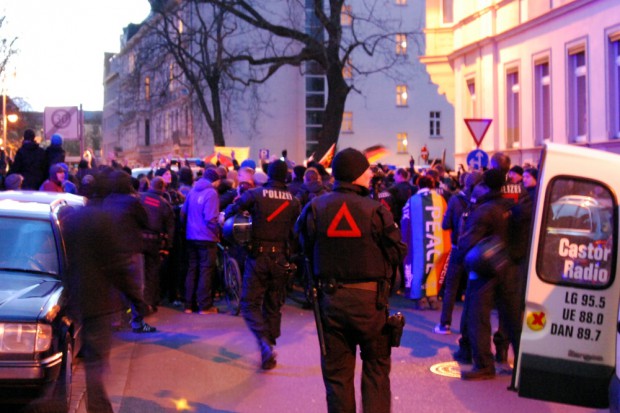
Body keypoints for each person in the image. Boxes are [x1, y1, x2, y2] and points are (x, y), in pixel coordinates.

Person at [296, 148, 407, 413]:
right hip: (371, 305)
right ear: (356, 175)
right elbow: (396, 251)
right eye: (366, 169)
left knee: (337, 378)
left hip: (330, 303)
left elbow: (302, 244)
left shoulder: (315, 208)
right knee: (377, 371)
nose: (371, 173)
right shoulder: (376, 210)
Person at [62, 180, 151, 412]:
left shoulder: (72, 219)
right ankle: (99, 408)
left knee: (90, 357)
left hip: (77, 295)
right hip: (100, 301)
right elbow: (117, 266)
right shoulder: (105, 221)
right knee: (96, 361)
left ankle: (98, 406)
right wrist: (137, 299)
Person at [225, 160, 301, 370]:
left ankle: (263, 342)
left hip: (258, 257)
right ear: (286, 176)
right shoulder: (294, 201)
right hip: (281, 259)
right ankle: (270, 343)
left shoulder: (256, 194)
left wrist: (225, 216)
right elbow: (297, 230)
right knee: (273, 304)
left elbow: (233, 210)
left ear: (268, 175)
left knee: (249, 303)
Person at [459, 169, 522, 380]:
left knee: (479, 317)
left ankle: (484, 364)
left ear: (485, 185)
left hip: (485, 270)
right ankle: (522, 363)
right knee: (512, 319)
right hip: (509, 268)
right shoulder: (512, 208)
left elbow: (469, 241)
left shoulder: (483, 209)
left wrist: (463, 257)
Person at [181, 168, 221, 314]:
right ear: (215, 181)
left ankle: (188, 305)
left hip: (191, 236)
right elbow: (210, 218)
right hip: (206, 238)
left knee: (192, 269)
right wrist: (218, 231)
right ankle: (204, 305)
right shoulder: (211, 193)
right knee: (205, 270)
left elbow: (183, 213)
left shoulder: (192, 191)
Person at [140, 176, 175, 311]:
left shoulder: (141, 198)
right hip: (153, 242)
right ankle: (151, 302)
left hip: (139, 240)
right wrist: (168, 246)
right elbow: (170, 227)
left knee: (139, 272)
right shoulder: (164, 204)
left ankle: (139, 303)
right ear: (163, 188)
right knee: (152, 272)